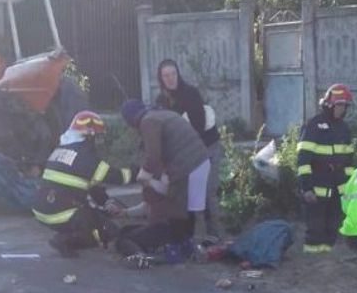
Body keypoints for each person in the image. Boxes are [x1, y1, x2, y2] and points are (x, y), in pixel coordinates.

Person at [33, 110, 136, 258]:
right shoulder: (85, 156)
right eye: (97, 137)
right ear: (89, 136)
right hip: (59, 212)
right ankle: (64, 240)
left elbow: (91, 185)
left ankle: (67, 234)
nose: (98, 142)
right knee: (103, 233)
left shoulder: (62, 150)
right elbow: (117, 177)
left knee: (97, 219)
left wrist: (106, 202)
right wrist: (139, 172)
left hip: (42, 209)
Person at [120, 99, 210, 259]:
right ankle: (192, 245)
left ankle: (178, 248)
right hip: (201, 160)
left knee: (178, 208)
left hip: (186, 165)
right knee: (192, 208)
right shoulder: (163, 114)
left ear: (131, 119)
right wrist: (126, 211)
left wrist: (144, 175)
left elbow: (153, 157)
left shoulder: (148, 122)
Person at [155, 59, 223, 238]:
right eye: (166, 76)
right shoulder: (161, 101)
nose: (170, 79)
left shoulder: (190, 94)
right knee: (187, 194)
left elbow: (198, 127)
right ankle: (193, 236)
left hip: (207, 147)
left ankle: (215, 235)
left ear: (178, 74)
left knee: (208, 193)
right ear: (161, 79)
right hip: (184, 153)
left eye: (173, 74)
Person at [296, 83, 356, 254]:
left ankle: (327, 262)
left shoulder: (344, 129)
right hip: (316, 189)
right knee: (315, 229)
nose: (342, 109)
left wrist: (348, 189)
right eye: (339, 105)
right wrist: (306, 188)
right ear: (329, 105)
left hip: (337, 190)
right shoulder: (314, 125)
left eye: (344, 106)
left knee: (333, 228)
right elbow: (303, 160)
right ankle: (312, 263)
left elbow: (349, 163)